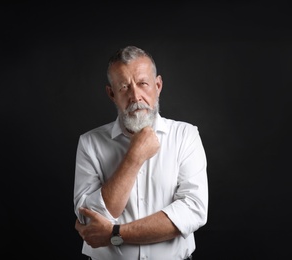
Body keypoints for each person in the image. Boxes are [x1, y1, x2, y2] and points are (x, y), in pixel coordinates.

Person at [73, 45, 208, 260]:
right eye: (124, 87)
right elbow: (90, 221)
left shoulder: (186, 136)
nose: (136, 96)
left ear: (158, 85)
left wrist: (114, 234)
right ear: (112, 94)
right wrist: (134, 157)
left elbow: (193, 211)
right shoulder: (90, 143)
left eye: (143, 84)